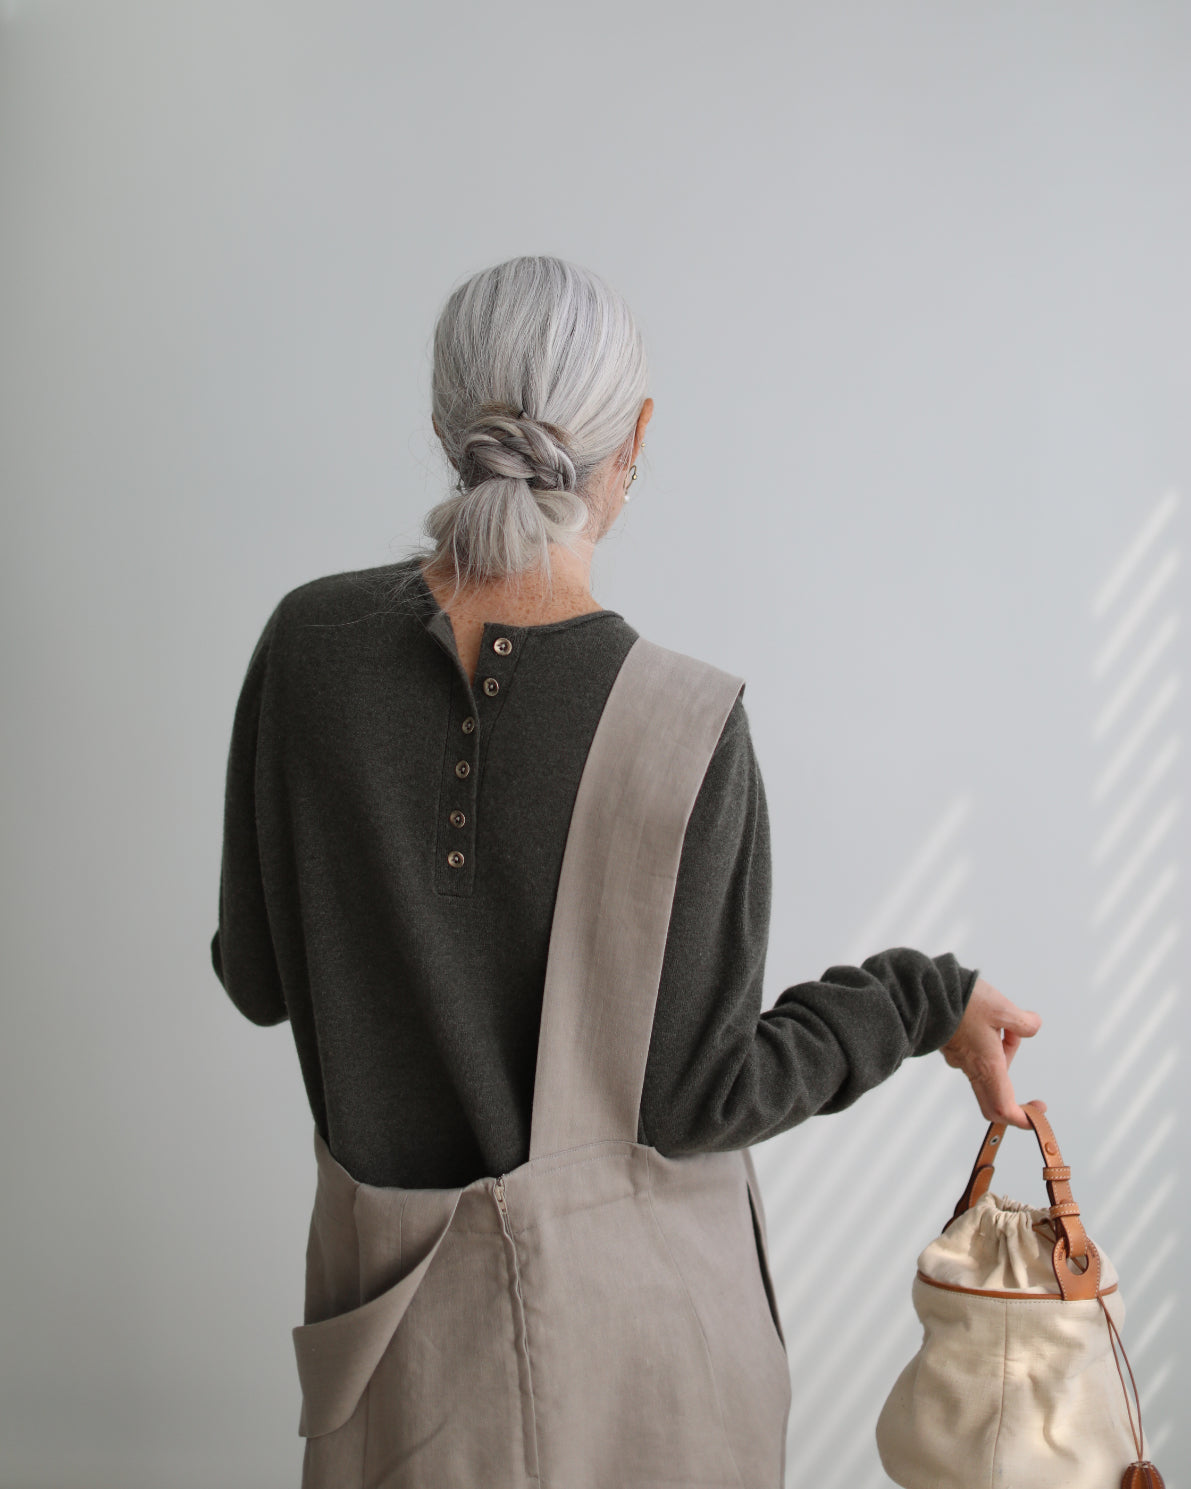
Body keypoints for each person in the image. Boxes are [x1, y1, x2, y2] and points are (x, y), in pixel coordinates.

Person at [210, 254, 1043, 1488]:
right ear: (634, 439)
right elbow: (698, 1101)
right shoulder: (684, 728)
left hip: (391, 1376)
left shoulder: (308, 648)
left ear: (444, 422)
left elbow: (258, 977)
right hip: (638, 1397)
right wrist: (923, 999)